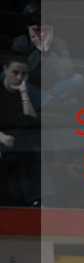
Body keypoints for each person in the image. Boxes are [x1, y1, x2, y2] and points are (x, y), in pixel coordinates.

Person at [12, 7, 84, 111]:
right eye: (38, 28)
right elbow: (19, 70)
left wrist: (60, 53)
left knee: (78, 79)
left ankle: (50, 100)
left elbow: (69, 73)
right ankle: (55, 102)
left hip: (53, 86)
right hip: (33, 84)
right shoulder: (23, 43)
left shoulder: (59, 43)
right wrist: (36, 52)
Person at [0, 54, 40, 205]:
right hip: (3, 138)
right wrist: (1, 136)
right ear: (5, 70)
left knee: (30, 152)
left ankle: (33, 200)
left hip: (18, 140)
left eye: (23, 74)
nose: (19, 77)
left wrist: (23, 93)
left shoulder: (25, 92)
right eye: (15, 72)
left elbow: (31, 120)